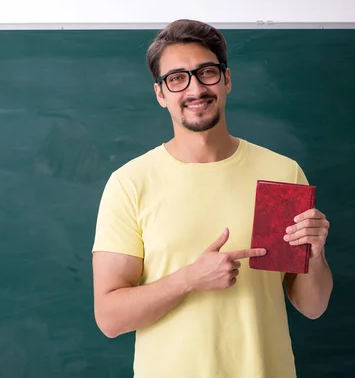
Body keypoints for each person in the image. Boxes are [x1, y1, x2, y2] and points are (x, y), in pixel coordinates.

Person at [91, 19, 333, 378]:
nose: (195, 89)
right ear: (160, 94)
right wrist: (188, 279)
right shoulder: (130, 184)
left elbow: (311, 306)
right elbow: (110, 318)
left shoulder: (281, 174)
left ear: (227, 80)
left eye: (206, 72)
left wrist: (315, 255)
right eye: (176, 78)